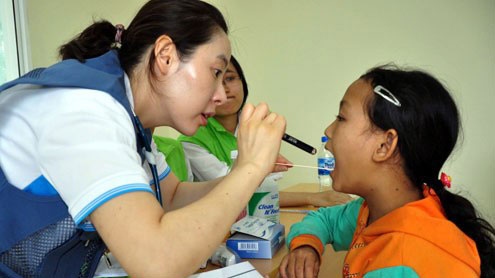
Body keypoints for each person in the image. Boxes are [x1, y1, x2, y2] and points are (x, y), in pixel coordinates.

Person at [0, 1, 287, 277]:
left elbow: (172, 197)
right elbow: (156, 261)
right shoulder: (86, 111)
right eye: (215, 72)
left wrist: (247, 171)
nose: (221, 95)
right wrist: (249, 171)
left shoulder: (131, 119)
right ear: (165, 56)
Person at [279, 65, 495, 278]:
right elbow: (324, 219)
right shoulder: (374, 212)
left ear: (385, 146)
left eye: (341, 118)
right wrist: (306, 246)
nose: (328, 131)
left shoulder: (400, 262)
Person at [158, 55, 351, 207]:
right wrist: (310, 197)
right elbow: (236, 189)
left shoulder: (256, 125)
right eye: (215, 81)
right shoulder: (190, 139)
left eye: (231, 78)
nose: (224, 90)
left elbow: (269, 184)